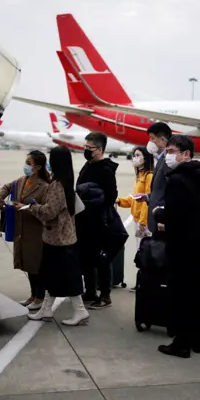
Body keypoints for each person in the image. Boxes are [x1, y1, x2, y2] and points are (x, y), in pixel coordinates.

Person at [155, 135, 200, 358]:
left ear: (186, 154)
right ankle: (196, 339)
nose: (168, 155)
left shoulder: (178, 179)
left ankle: (181, 343)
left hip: (182, 244)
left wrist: (159, 213)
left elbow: (175, 214)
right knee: (196, 293)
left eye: (172, 151)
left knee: (180, 294)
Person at [23, 146, 88, 326]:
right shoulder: (66, 182)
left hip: (58, 238)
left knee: (68, 277)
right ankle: (47, 309)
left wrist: (33, 207)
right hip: (62, 237)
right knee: (51, 275)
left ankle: (80, 311)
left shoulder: (57, 185)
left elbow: (49, 212)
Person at [0, 151, 50, 310]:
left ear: (38, 167)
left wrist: (27, 208)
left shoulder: (44, 187)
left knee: (36, 265)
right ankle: (33, 295)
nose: (26, 166)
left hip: (35, 231)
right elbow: (7, 187)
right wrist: (0, 198)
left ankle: (40, 297)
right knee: (26, 264)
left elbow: (46, 210)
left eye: (29, 163)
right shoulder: (21, 181)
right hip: (21, 229)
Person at [75, 132, 119, 309]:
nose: (86, 150)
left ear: (100, 150)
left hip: (98, 220)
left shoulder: (105, 170)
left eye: (89, 148)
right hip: (84, 219)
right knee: (86, 258)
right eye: (85, 147)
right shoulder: (88, 165)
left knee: (101, 259)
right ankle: (90, 291)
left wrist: (94, 205)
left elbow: (111, 196)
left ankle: (105, 295)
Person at [116, 146, 154, 291]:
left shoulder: (149, 176)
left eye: (138, 155)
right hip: (138, 220)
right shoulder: (140, 176)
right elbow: (135, 198)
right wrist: (120, 201)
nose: (135, 158)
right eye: (134, 155)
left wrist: (144, 222)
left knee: (144, 252)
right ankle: (142, 282)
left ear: (146, 157)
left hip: (143, 222)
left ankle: (144, 283)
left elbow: (148, 200)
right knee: (141, 252)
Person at [139, 122, 173, 234]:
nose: (150, 142)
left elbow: (170, 192)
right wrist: (148, 198)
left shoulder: (168, 161)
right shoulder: (160, 159)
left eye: (152, 138)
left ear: (163, 140)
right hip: (156, 220)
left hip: (162, 222)